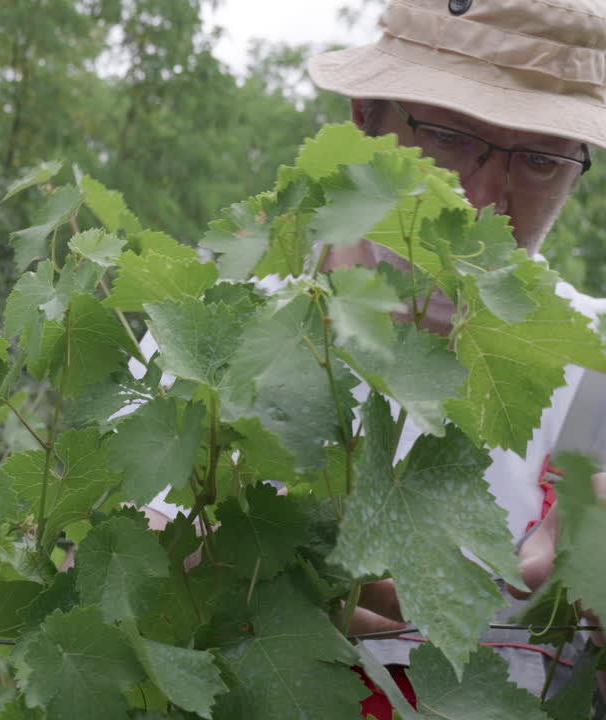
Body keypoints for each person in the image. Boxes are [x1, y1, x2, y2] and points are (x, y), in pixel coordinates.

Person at [142, 0, 606, 713]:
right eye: (449, 138)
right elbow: (98, 577)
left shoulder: (597, 365)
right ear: (364, 119)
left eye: (541, 160)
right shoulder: (213, 332)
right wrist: (171, 562)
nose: (483, 203)